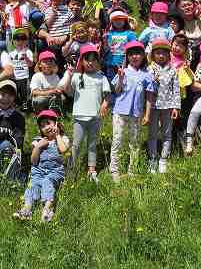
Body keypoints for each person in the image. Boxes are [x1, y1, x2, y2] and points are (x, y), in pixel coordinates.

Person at [60, 44, 111, 182]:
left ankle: (91, 170)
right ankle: (71, 169)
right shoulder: (77, 76)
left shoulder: (101, 77)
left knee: (92, 144)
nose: (90, 62)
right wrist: (69, 75)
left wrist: (105, 104)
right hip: (79, 116)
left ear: (98, 62)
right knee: (76, 144)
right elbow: (68, 92)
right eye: (87, 59)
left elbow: (107, 95)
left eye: (94, 60)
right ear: (81, 61)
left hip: (95, 117)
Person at [13, 109, 69, 222]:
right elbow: (33, 161)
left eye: (48, 123)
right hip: (38, 171)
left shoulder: (62, 139)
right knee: (33, 185)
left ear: (56, 123)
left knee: (47, 182)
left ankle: (47, 209)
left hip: (55, 172)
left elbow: (63, 150)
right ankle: (26, 209)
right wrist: (38, 147)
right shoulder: (38, 141)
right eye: (43, 126)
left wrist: (57, 135)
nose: (46, 127)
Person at [109, 42, 154, 181]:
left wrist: (147, 114)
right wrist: (120, 78)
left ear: (143, 56)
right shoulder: (123, 72)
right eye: (131, 54)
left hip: (136, 113)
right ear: (127, 57)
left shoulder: (146, 75)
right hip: (120, 112)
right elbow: (116, 91)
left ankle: (132, 170)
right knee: (117, 140)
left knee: (135, 142)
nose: (135, 57)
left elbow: (149, 96)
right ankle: (114, 170)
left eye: (138, 54)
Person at [147, 38, 180, 174]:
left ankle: (163, 158)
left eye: (164, 53)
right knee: (152, 133)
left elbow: (176, 89)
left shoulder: (172, 70)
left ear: (169, 54)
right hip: (153, 106)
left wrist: (176, 107)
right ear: (153, 54)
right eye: (158, 53)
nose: (161, 56)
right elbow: (145, 88)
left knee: (167, 133)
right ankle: (153, 158)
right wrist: (152, 81)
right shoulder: (149, 69)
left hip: (168, 106)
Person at [39, 0, 73, 69]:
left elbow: (71, 25)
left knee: (66, 51)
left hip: (65, 38)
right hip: (53, 39)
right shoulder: (48, 10)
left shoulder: (67, 10)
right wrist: (54, 14)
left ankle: (65, 68)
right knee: (53, 51)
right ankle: (55, 68)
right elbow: (47, 25)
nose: (57, 1)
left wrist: (66, 37)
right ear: (51, 0)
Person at [102, 10, 137, 80]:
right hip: (111, 64)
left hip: (125, 65)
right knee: (111, 83)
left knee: (124, 82)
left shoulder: (130, 34)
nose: (118, 22)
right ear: (112, 22)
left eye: (121, 19)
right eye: (115, 20)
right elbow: (106, 49)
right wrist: (105, 41)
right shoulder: (109, 34)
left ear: (125, 21)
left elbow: (134, 48)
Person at [8, 27, 35, 105]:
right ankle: (16, 104)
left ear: (26, 41)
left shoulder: (28, 52)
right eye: (17, 40)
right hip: (14, 77)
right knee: (15, 93)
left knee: (24, 94)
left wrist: (26, 57)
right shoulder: (11, 53)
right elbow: (9, 66)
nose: (20, 42)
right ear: (13, 41)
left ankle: (25, 104)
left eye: (23, 39)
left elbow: (31, 64)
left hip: (24, 77)